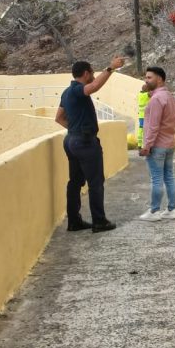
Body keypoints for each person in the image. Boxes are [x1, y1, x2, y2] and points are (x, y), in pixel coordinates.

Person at [55, 57, 125, 233]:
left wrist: (75, 130)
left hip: (71, 140)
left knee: (75, 182)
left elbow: (58, 118)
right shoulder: (78, 90)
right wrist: (110, 68)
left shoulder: (66, 92)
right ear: (86, 73)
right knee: (95, 182)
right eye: (92, 73)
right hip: (85, 142)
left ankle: (74, 221)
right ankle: (99, 221)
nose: (93, 76)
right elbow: (93, 88)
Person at [138, 66, 175, 222]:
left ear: (159, 79)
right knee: (169, 177)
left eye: (149, 77)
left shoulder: (156, 100)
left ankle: (154, 211)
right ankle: (172, 209)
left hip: (157, 145)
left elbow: (153, 126)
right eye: (146, 77)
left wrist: (146, 146)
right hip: (169, 143)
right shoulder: (169, 97)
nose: (146, 80)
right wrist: (147, 91)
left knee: (156, 179)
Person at [136, 82, 151, 147]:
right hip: (146, 115)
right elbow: (152, 94)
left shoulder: (139, 94)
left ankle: (139, 144)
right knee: (147, 130)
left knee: (141, 129)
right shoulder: (146, 95)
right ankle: (146, 145)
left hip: (141, 116)